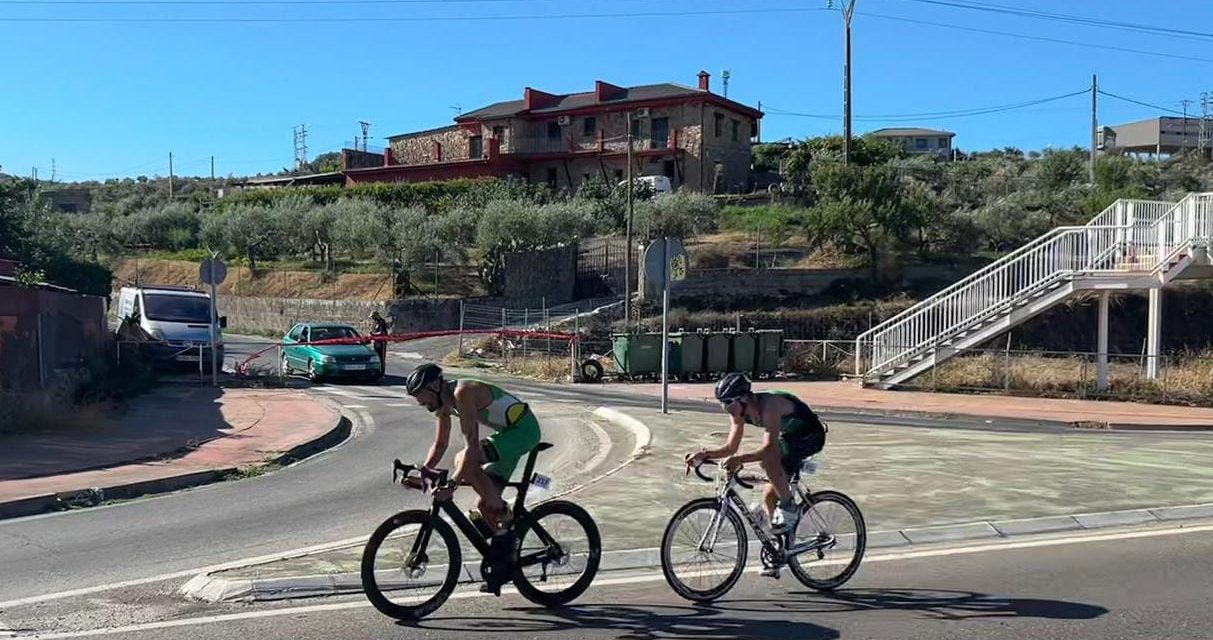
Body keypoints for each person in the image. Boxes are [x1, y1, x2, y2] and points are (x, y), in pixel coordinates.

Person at [404, 363, 541, 583]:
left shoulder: (462, 393)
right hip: (507, 434)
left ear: (435, 386)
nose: (421, 403)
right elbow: (440, 444)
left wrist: (452, 484)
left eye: (422, 397)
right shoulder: (443, 404)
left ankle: (506, 515)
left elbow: (472, 449)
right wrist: (425, 471)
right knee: (484, 506)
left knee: (463, 460)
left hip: (524, 431)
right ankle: (506, 557)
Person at [685, 372, 827, 576]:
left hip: (810, 435)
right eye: (722, 405)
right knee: (769, 496)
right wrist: (704, 455)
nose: (727, 410)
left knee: (768, 459)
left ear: (743, 398)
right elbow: (730, 448)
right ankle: (780, 553)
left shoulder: (770, 405)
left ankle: (789, 507)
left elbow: (769, 449)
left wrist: (740, 460)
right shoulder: (740, 412)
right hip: (789, 438)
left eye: (728, 404)